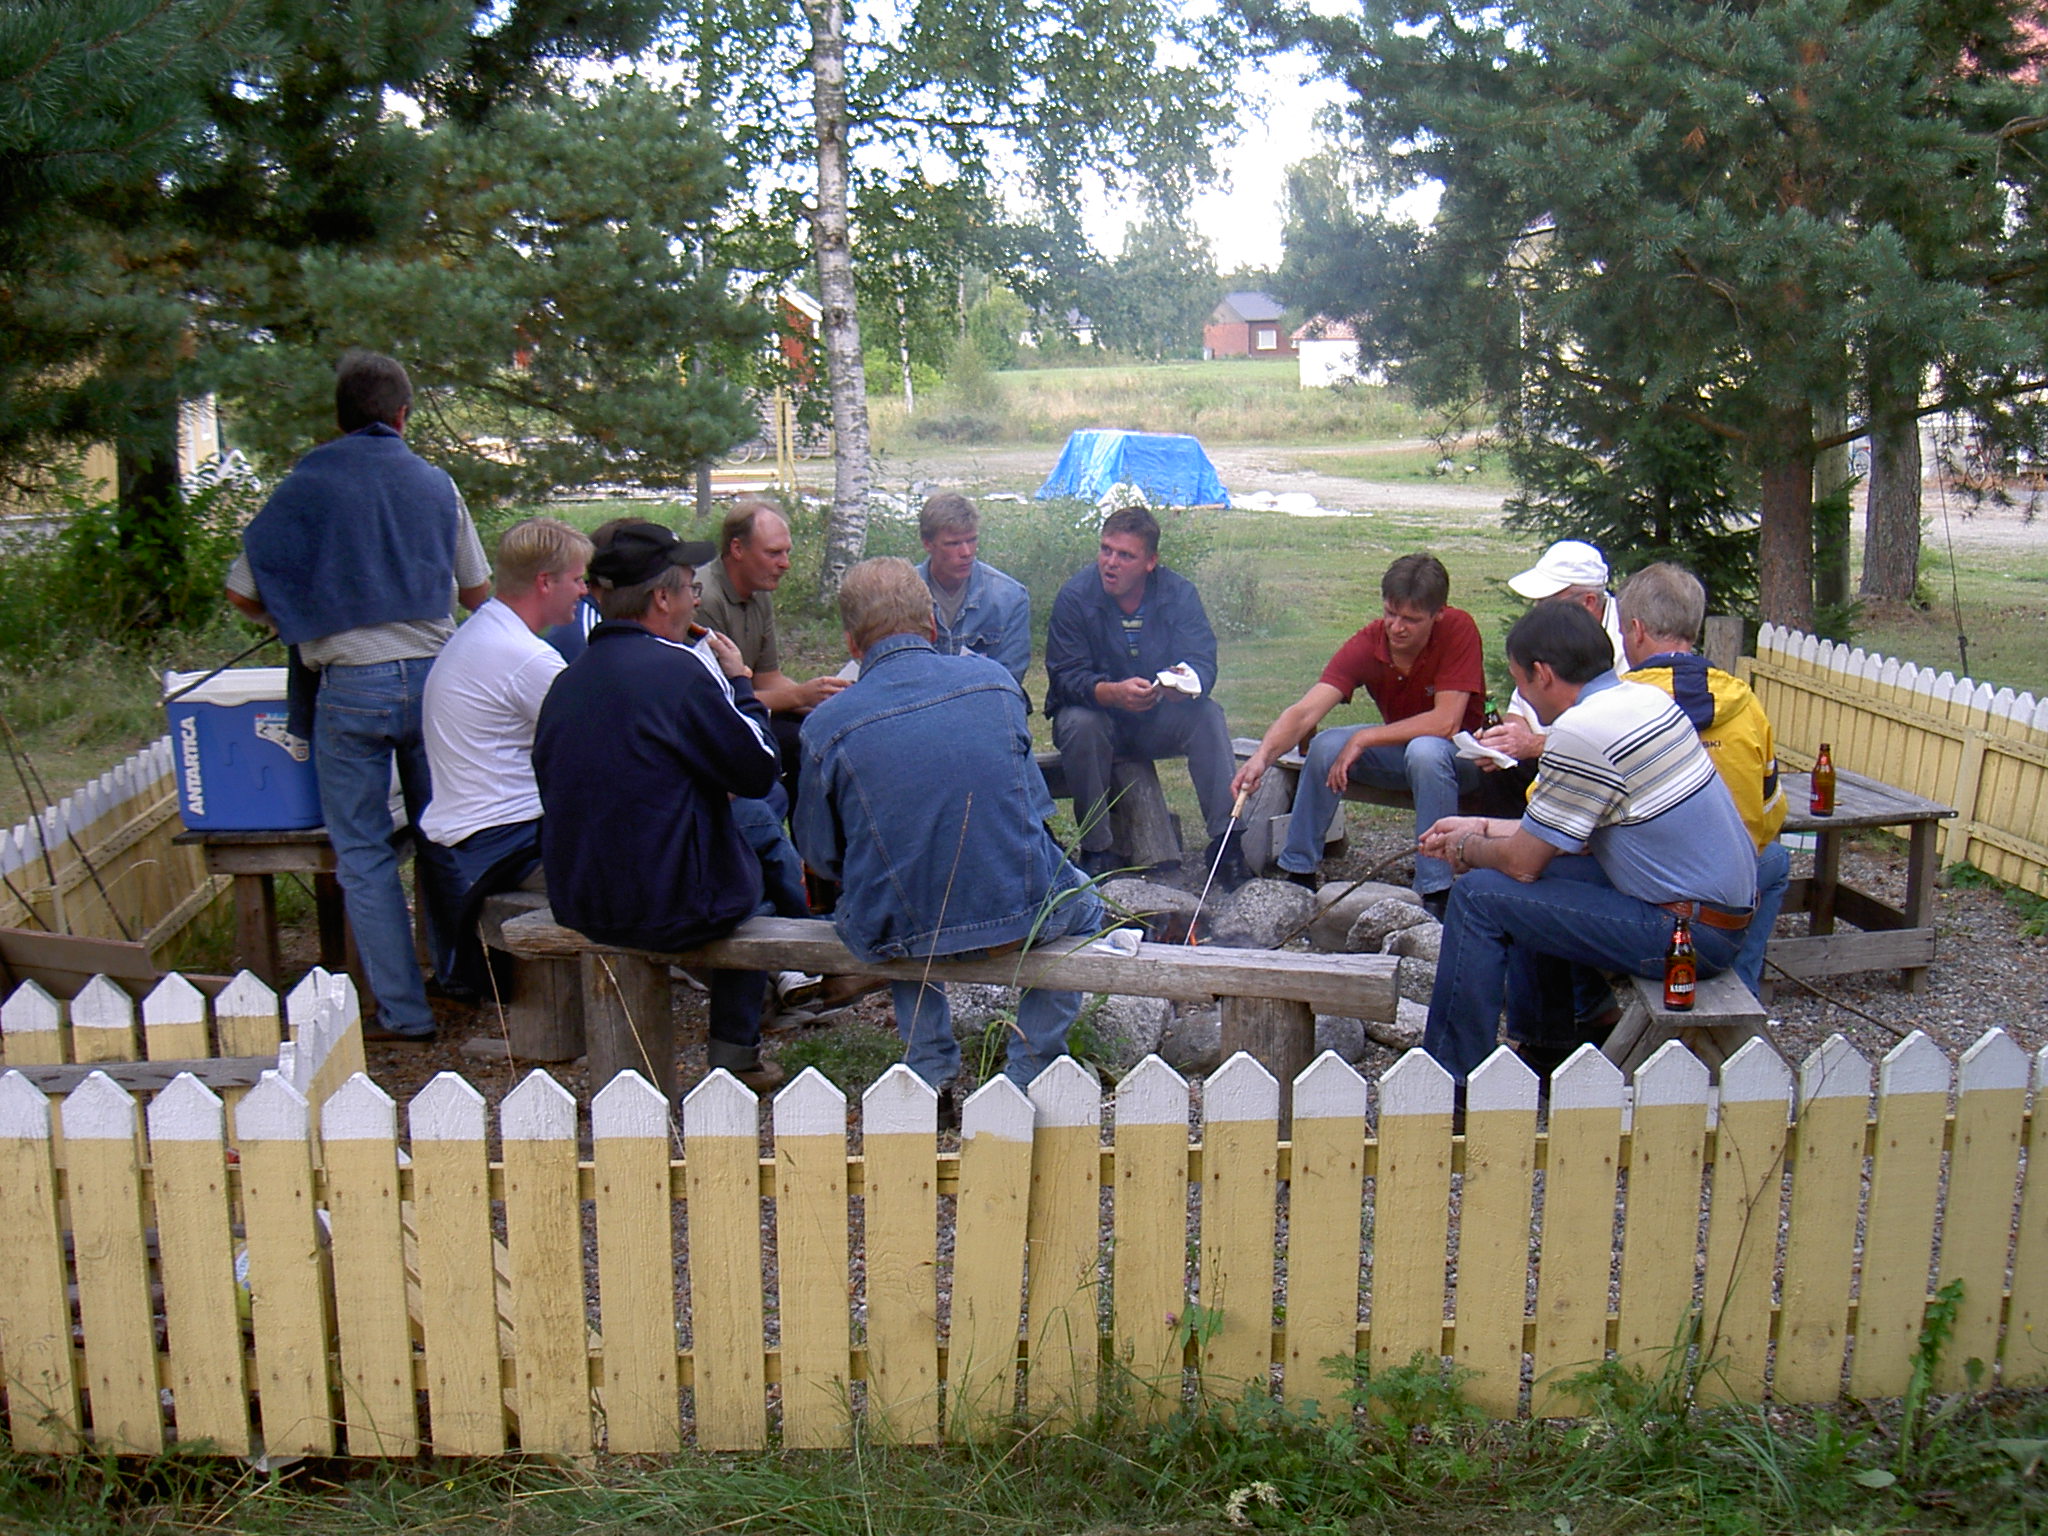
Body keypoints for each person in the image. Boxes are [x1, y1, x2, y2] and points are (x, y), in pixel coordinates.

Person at [226, 350, 489, 1043]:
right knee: (444, 833)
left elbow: (241, 591)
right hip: (436, 683)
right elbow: (477, 592)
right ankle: (460, 975)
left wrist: (297, 617)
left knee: (366, 854)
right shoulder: (436, 483)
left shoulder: (304, 486)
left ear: (338, 419)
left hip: (350, 685)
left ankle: (403, 1014)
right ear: (404, 416)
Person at [796, 558, 1104, 1096]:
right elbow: (1036, 809)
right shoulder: (997, 684)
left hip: (899, 928)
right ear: (933, 626)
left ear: (851, 643)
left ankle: (930, 1065)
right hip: (1019, 909)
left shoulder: (826, 726)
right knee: (1087, 906)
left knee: (895, 893)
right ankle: (1031, 1064)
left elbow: (821, 856)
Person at [1418, 601, 1759, 1087]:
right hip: (1716, 915)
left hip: (1689, 936)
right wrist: (1478, 826)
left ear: (1543, 674)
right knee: (1541, 881)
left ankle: (1448, 1082)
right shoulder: (1642, 701)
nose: (1523, 697)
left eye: (1520, 681)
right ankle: (1547, 1045)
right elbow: (1559, 839)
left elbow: (1522, 863)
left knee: (1480, 898)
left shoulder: (1583, 733)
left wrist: (1464, 851)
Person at [532, 522, 784, 1091]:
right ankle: (735, 1054)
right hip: (669, 904)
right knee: (760, 874)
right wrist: (740, 683)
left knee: (752, 838)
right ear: (663, 598)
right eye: (690, 588)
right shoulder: (679, 672)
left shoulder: (566, 682)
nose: (695, 599)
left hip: (579, 894)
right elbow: (757, 769)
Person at [1232, 553, 1486, 915]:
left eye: (1411, 620)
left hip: (1462, 760)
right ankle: (1299, 870)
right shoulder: (1371, 642)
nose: (1396, 627)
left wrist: (1364, 738)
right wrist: (1261, 758)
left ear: (1438, 614)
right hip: (1404, 753)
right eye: (1390, 613)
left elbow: (1445, 722)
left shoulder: (1458, 629)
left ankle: (1436, 889)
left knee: (1426, 751)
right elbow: (1306, 711)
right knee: (1325, 745)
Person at [419, 517, 592, 994]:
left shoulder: (481, 632)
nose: (583, 591)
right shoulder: (525, 658)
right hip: (505, 844)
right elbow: (597, 747)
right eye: (577, 580)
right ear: (545, 582)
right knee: (649, 872)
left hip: (481, 833)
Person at [1044, 505, 1244, 883]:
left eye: (1125, 555)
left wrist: (1184, 687)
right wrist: (1111, 692)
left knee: (1208, 715)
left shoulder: (1178, 593)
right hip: (1100, 718)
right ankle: (1097, 850)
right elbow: (1063, 677)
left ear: (1150, 562)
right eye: (1106, 550)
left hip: (1157, 715)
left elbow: (1203, 660)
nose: (1111, 563)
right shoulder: (1075, 597)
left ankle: (1226, 844)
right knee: (1078, 723)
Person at [1617, 563, 1791, 996]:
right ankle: (1743, 983)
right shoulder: (1744, 703)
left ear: (1636, 630)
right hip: (1729, 888)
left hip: (1650, 888)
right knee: (1777, 861)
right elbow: (1770, 812)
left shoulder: (1615, 705)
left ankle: (1588, 1003)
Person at [695, 499, 849, 812]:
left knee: (820, 728)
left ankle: (812, 852)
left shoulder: (759, 592)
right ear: (737, 549)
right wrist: (799, 695)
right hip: (716, 724)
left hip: (747, 707)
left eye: (787, 552)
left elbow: (768, 677)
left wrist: (819, 700)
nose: (785, 563)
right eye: (773, 553)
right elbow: (720, 702)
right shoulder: (704, 599)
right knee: (797, 744)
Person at [915, 492, 1031, 691]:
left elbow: (1009, 680)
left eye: (972, 540)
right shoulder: (900, 595)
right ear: (927, 544)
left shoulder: (1010, 597)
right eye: (953, 544)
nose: (966, 552)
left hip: (983, 703)